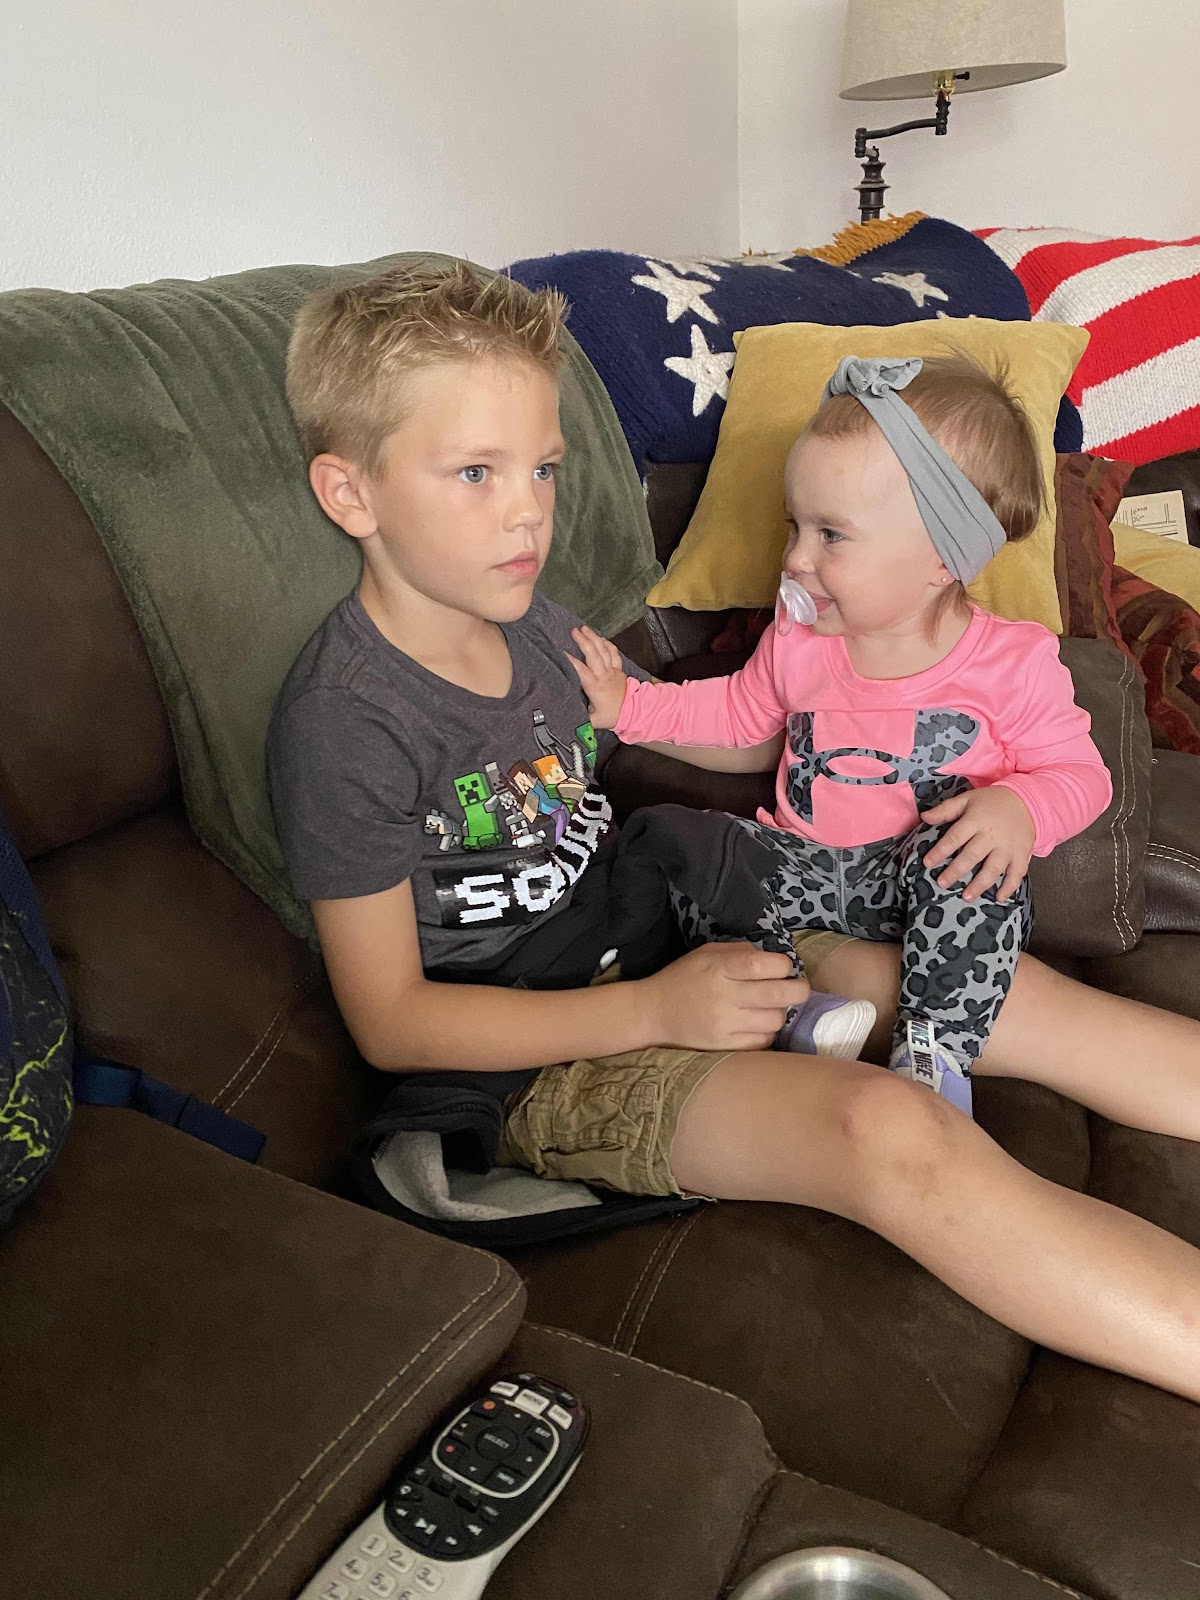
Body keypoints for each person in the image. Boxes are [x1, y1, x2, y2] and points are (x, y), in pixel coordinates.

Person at [267, 262, 1200, 1406]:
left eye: (544, 468)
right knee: (884, 1128)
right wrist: (658, 1012)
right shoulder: (346, 723)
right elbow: (394, 1024)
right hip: (531, 1057)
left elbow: (731, 733)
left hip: (666, 914)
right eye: (476, 472)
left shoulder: (534, 625)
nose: (528, 512)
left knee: (990, 990)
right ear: (350, 492)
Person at [566, 353, 1113, 1120]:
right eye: (795, 527)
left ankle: (933, 1055)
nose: (794, 558)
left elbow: (1081, 775)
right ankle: (792, 1010)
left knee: (967, 868)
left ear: (940, 557)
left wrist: (1021, 807)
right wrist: (628, 707)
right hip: (803, 875)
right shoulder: (801, 638)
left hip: (922, 886)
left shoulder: (1012, 664)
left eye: (831, 535)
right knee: (674, 839)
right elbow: (740, 717)